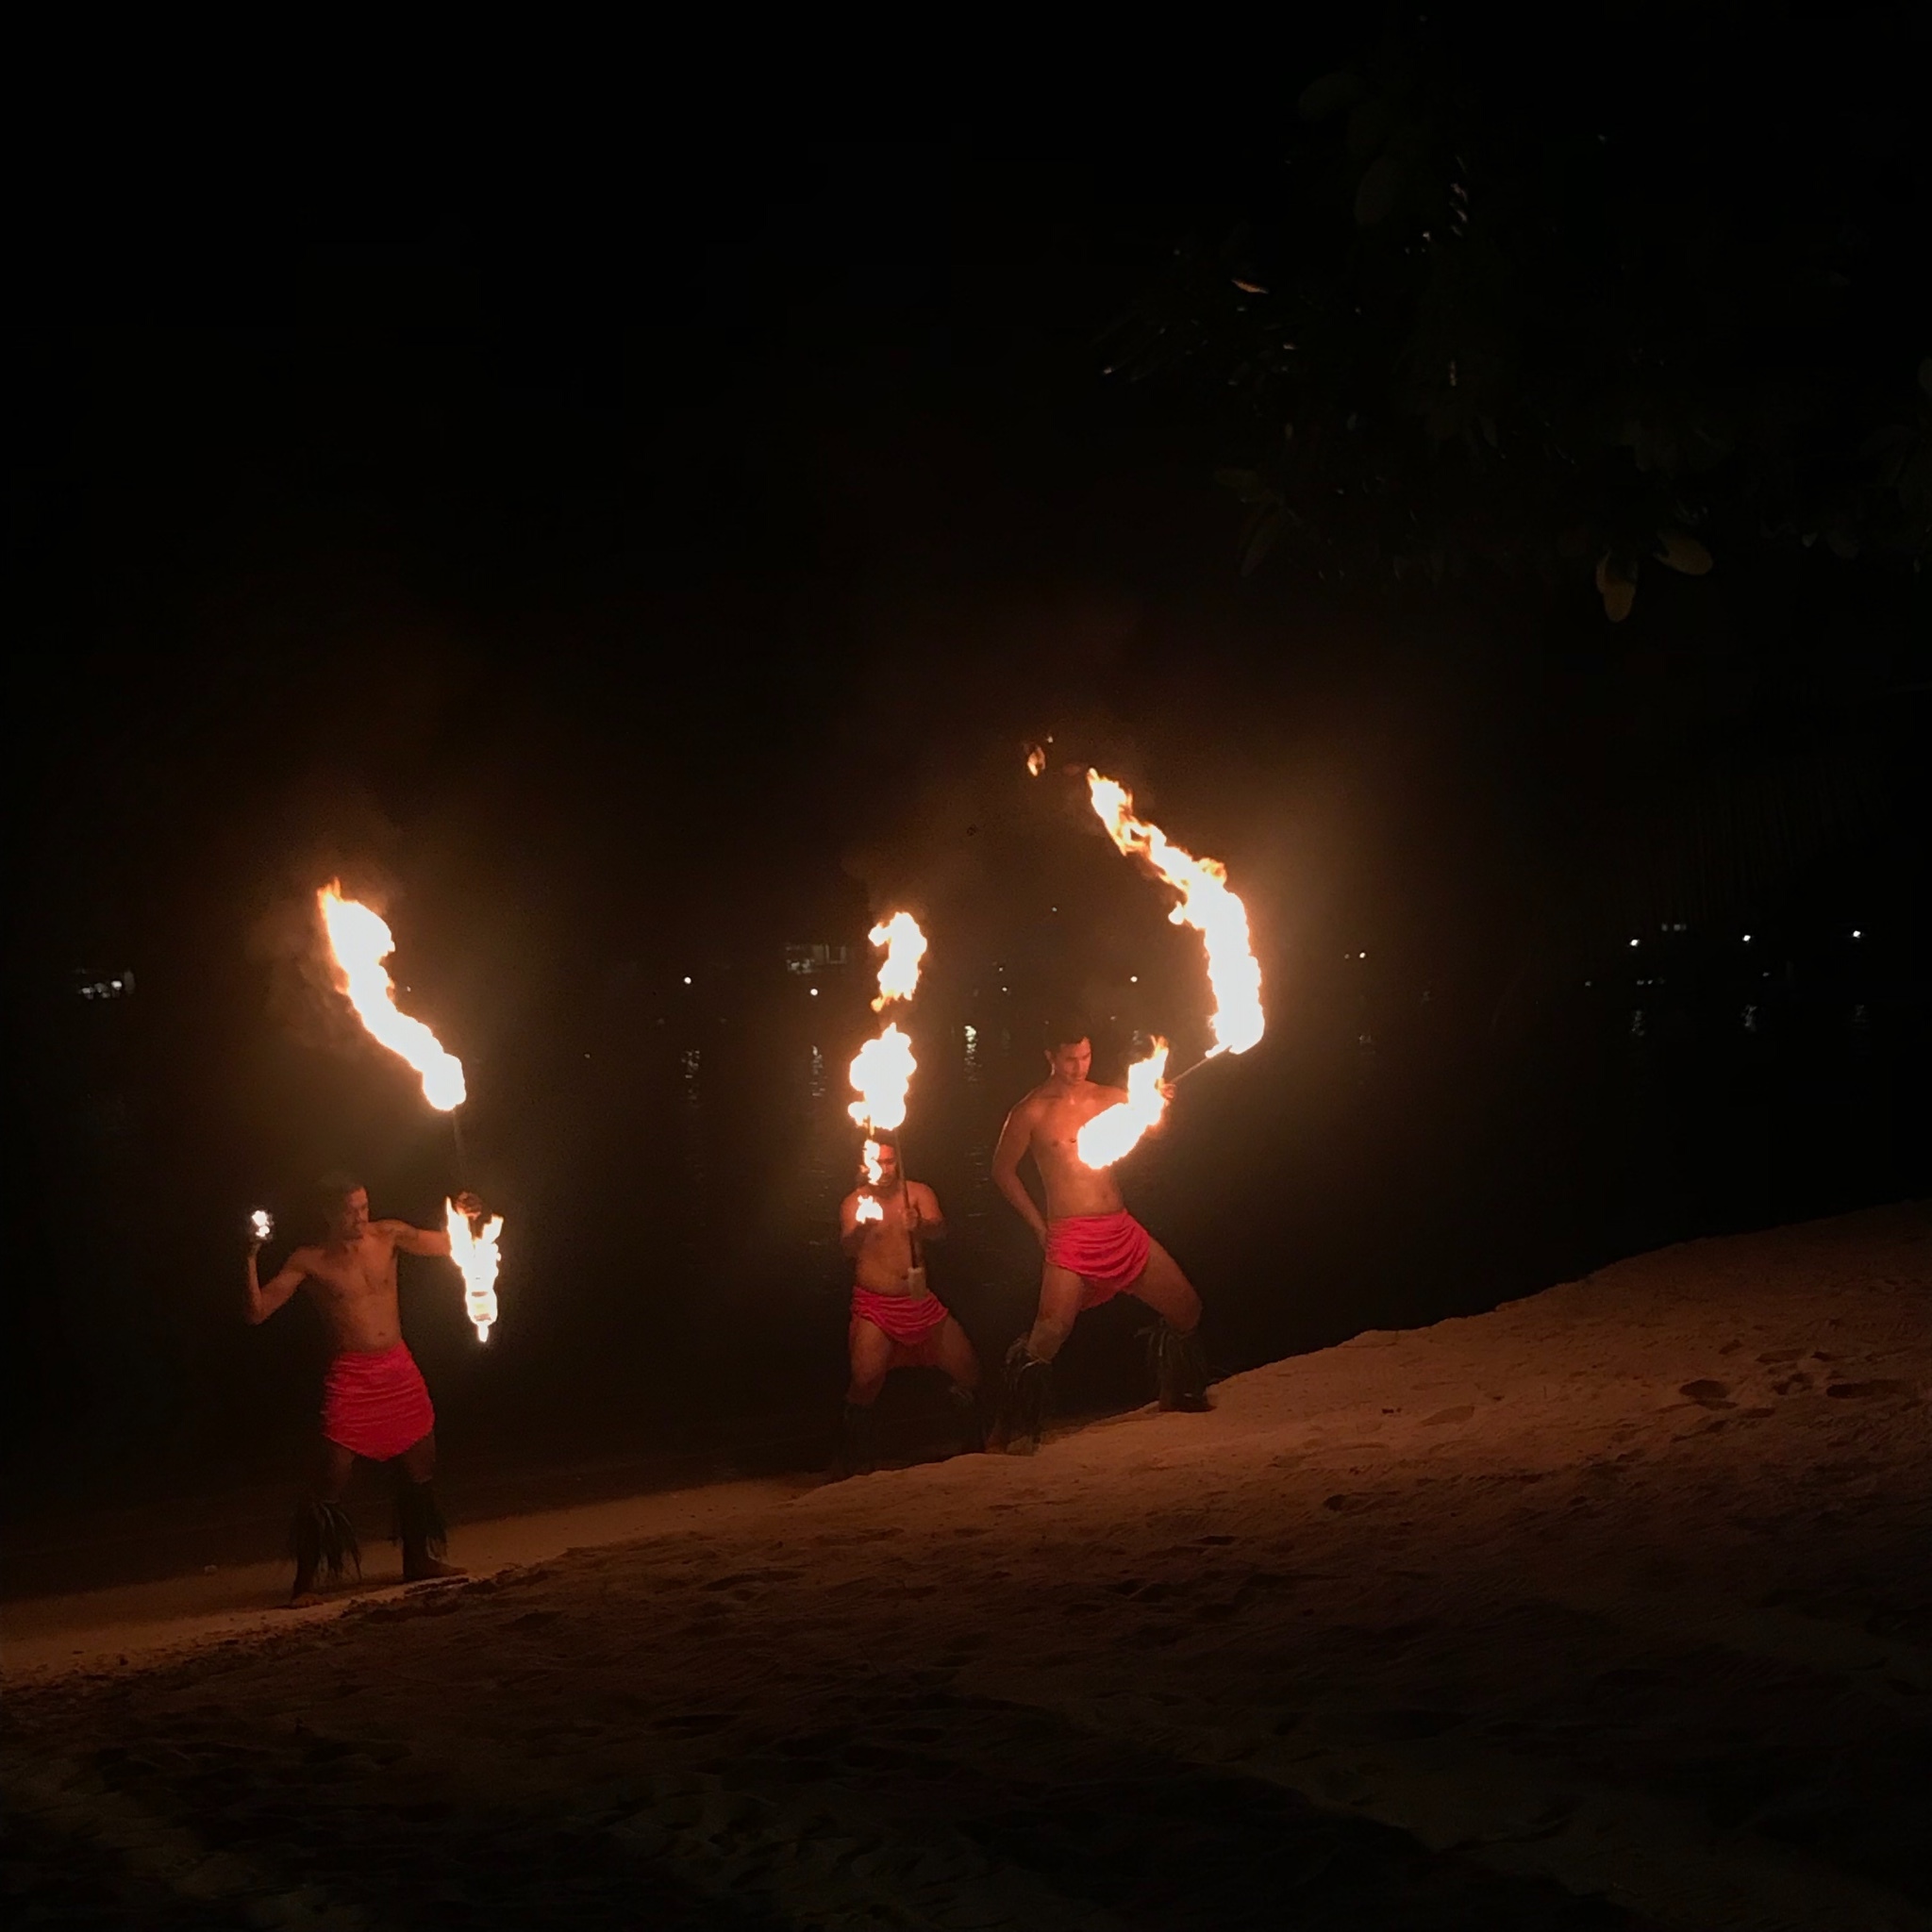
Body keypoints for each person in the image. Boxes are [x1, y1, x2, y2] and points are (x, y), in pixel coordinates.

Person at [246, 1173, 477, 1602]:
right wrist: (249, 1257)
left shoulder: (389, 1235)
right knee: (332, 1473)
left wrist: (466, 1216)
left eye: (363, 1207)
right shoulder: (308, 1260)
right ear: (328, 1214)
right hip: (352, 1374)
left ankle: (417, 1559)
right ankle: (306, 1582)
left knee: (421, 1461)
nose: (359, 1217)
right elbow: (257, 1312)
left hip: (398, 1367)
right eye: (350, 1211)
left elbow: (451, 1245)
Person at [990, 1020, 1210, 1451]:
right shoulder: (1030, 1111)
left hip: (1120, 1227)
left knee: (1187, 1310)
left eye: (1086, 1056)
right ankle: (1004, 1430)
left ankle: (1173, 1396)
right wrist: (1038, 1225)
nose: (1079, 1066)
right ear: (1050, 1057)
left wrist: (1158, 1104)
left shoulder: (1110, 1097)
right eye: (1070, 1058)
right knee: (1048, 1336)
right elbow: (1001, 1171)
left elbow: (1155, 1132)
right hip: (1071, 1237)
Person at [835, 1138, 981, 1474]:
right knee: (866, 1381)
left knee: (967, 1368)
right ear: (862, 1165)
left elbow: (940, 1231)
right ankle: (854, 1461)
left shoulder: (916, 1193)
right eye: (877, 1162)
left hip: (919, 1300)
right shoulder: (855, 1202)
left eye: (889, 1161)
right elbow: (847, 1249)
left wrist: (922, 1224)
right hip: (876, 1305)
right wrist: (861, 1228)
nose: (884, 1169)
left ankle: (975, 1446)